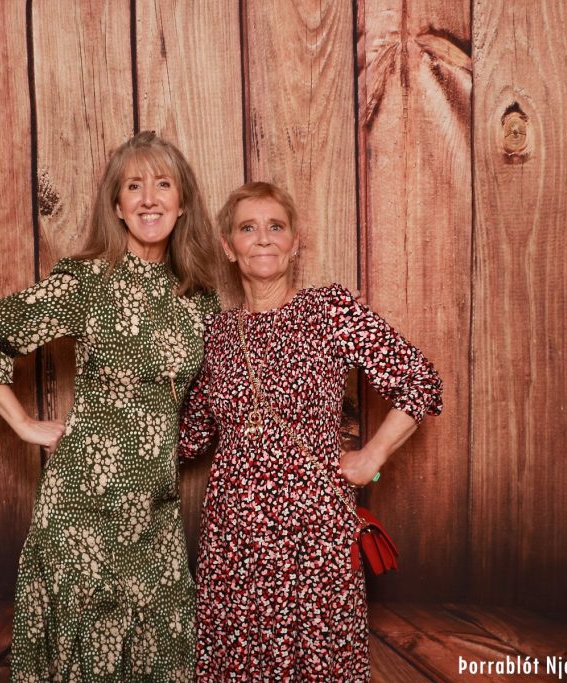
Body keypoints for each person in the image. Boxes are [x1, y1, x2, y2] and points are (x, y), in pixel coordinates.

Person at [0, 131, 220, 682]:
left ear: (183, 203)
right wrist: (23, 424)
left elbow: (207, 402)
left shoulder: (198, 296)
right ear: (117, 206)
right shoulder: (88, 281)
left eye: (163, 185)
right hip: (82, 508)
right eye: (133, 187)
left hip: (155, 513)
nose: (149, 199)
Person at [179, 181, 442, 681]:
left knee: (318, 657)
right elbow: (189, 436)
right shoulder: (216, 334)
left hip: (313, 527)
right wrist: (111, 426)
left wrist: (372, 457)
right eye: (248, 228)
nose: (263, 238)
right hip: (234, 535)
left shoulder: (329, 310)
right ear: (228, 246)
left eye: (275, 226)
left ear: (295, 242)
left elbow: (420, 382)